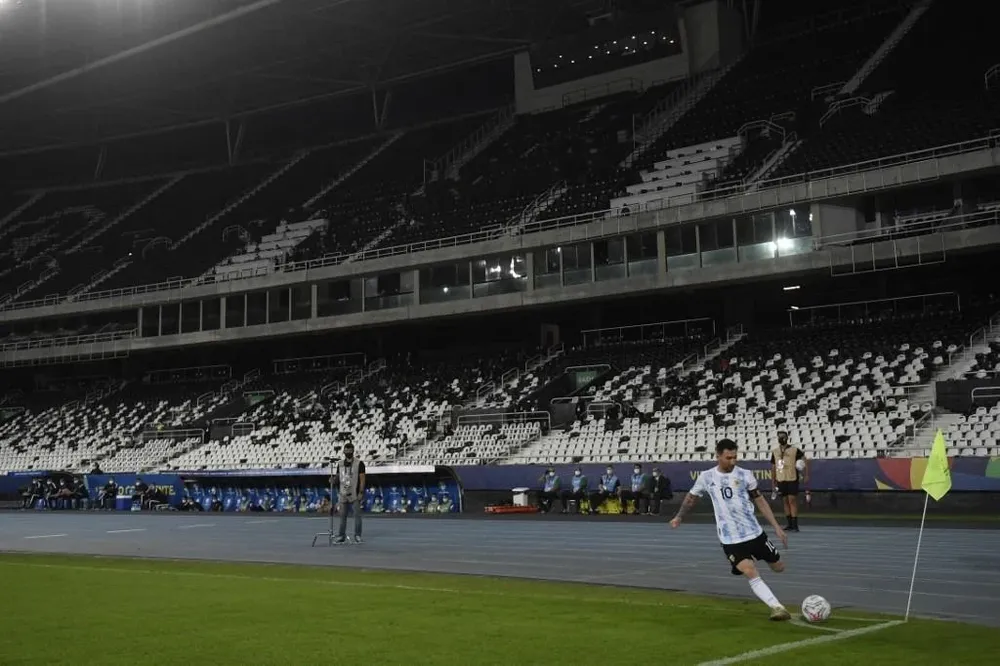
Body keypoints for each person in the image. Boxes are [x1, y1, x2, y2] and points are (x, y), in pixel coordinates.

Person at [670, 439, 791, 621]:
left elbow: (759, 500)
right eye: (728, 457)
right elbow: (690, 498)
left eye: (735, 457)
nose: (733, 461)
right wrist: (679, 516)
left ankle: (760, 567)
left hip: (755, 533)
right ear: (718, 456)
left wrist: (776, 527)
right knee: (750, 571)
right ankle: (777, 607)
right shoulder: (706, 477)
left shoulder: (745, 475)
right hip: (730, 538)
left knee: (778, 567)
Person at [770, 430, 808, 532]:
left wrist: (806, 474)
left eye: (783, 436)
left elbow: (805, 460)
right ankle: (789, 524)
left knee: (792, 500)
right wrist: (773, 481)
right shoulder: (775, 451)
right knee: (785, 501)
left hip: (792, 478)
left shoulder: (794, 450)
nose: (781, 438)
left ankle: (795, 525)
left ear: (787, 438)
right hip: (781, 479)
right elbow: (773, 467)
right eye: (779, 437)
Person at [333, 442, 366, 544]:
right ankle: (341, 536)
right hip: (343, 493)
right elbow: (338, 477)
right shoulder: (340, 464)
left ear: (353, 451)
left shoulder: (359, 463)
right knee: (342, 516)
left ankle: (357, 536)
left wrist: (361, 492)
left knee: (357, 516)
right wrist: (333, 480)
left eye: (350, 450)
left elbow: (362, 479)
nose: (348, 452)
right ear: (344, 451)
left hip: (354, 493)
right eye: (346, 450)